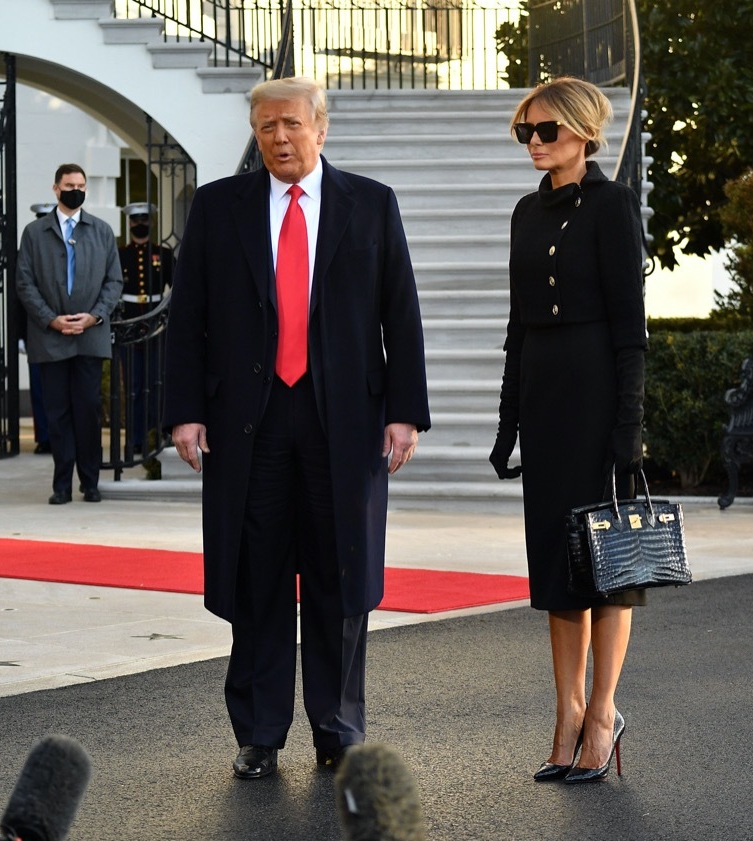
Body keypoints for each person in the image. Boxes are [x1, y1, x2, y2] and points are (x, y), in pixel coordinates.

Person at [164, 76, 430, 781]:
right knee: (256, 578)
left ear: (321, 126)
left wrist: (404, 411)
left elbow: (399, 312)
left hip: (341, 419)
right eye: (264, 127)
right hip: (245, 421)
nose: (278, 138)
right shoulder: (219, 207)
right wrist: (185, 411)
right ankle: (258, 732)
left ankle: (338, 726)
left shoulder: (370, 204)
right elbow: (187, 317)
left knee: (340, 577)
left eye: (289, 124)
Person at [489, 77, 647, 784]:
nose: (535, 143)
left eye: (546, 130)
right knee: (558, 574)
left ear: (583, 132)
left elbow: (632, 332)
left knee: (606, 567)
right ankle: (566, 711)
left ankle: (604, 711)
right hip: (546, 404)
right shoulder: (525, 212)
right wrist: (507, 420)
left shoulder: (613, 207)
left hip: (596, 397)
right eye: (526, 132)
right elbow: (518, 327)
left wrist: (629, 430)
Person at [16, 164, 123, 505]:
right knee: (57, 413)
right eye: (68, 184)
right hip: (51, 339)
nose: (75, 189)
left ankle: (90, 482)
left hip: (90, 338)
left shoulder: (102, 231)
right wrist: (52, 319)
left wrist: (94, 316)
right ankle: (61, 484)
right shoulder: (35, 233)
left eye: (80, 185)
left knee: (88, 410)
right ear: (56, 188)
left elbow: (114, 282)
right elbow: (24, 282)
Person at [116, 201, 174, 473]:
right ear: (129, 224)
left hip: (156, 329)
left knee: (156, 385)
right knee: (134, 387)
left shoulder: (162, 254)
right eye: (135, 219)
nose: (140, 223)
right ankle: (135, 439)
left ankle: (155, 436)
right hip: (129, 328)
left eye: (144, 219)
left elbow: (177, 289)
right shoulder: (120, 254)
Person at [26, 202, 56, 456]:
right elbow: (20, 293)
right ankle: (44, 437)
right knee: (39, 389)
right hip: (37, 329)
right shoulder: (29, 248)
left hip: (68, 329)